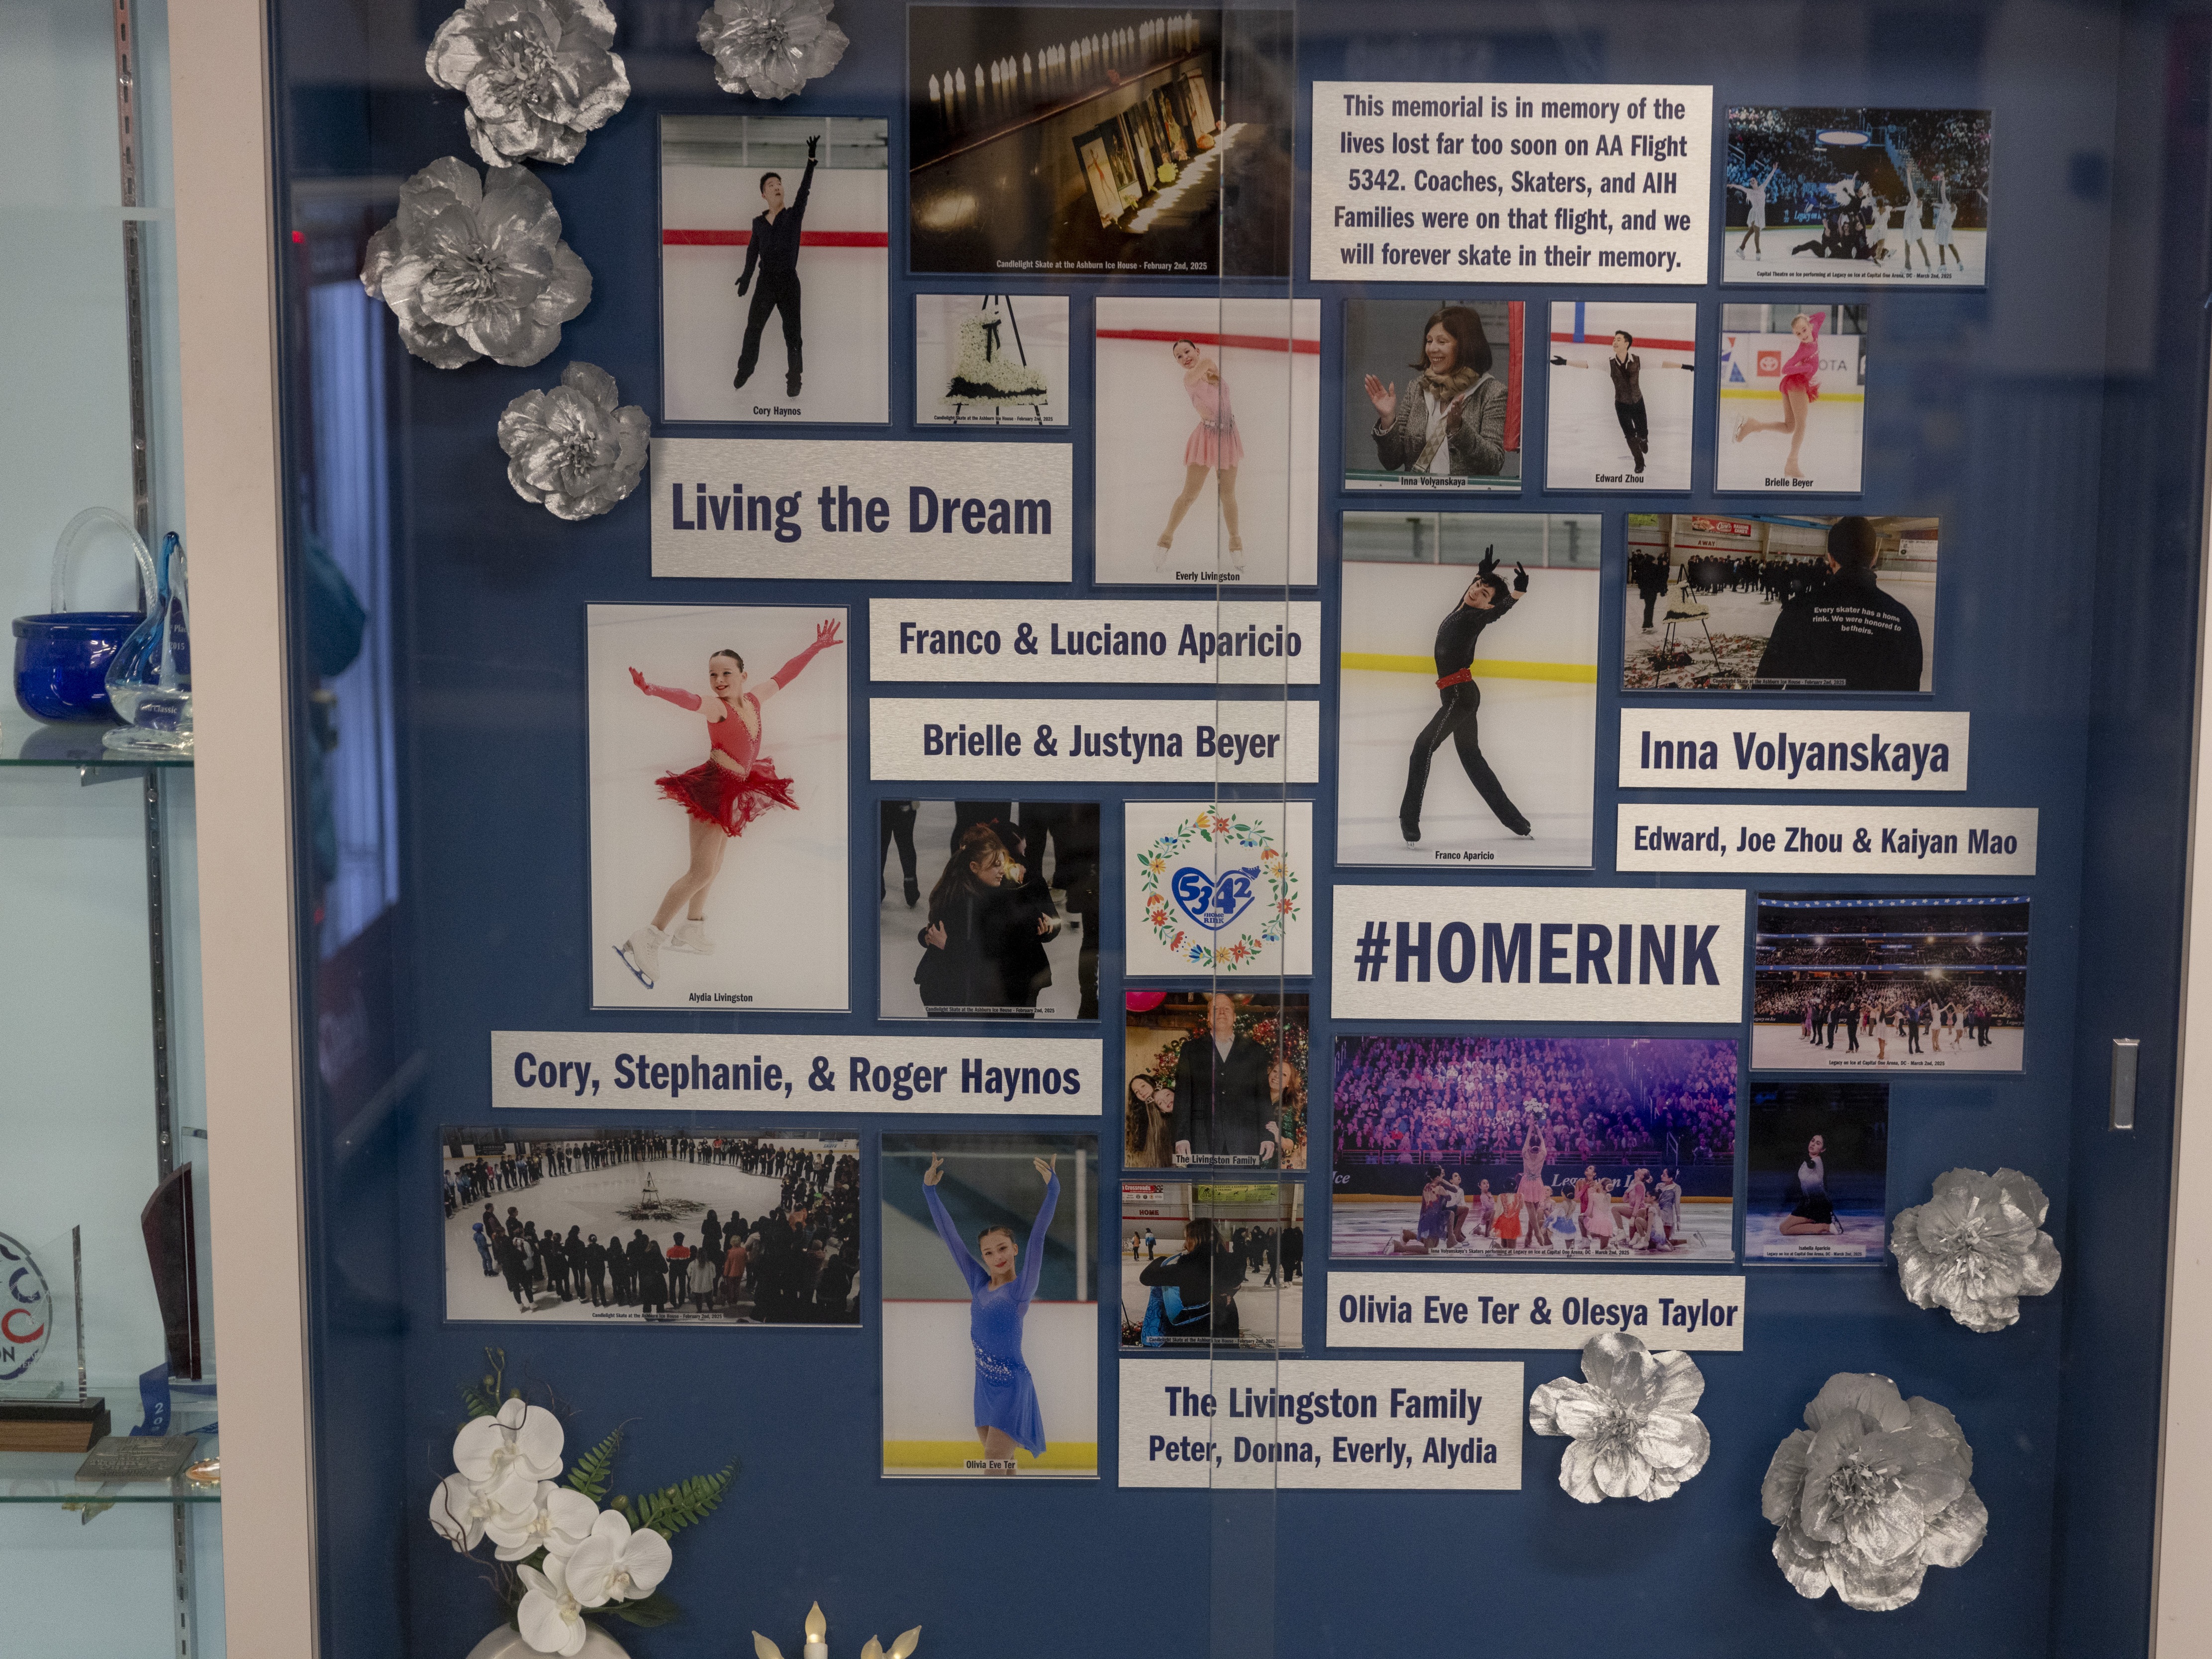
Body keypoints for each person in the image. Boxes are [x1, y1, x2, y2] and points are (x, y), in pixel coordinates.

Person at [617, 621, 845, 988]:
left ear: (742, 675)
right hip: (712, 788)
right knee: (701, 871)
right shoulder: (717, 709)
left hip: (735, 787)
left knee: (714, 867)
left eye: (726, 673)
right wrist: (652, 689)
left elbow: (785, 674)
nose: (719, 680)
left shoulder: (754, 700)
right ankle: (650, 935)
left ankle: (691, 928)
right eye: (712, 674)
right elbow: (688, 699)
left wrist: (814, 648)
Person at [923, 1153, 1059, 1473]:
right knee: (1003, 1470)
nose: (996, 1256)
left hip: (1012, 1387)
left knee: (991, 1467)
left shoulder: (1021, 1290)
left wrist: (1053, 1192)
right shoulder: (978, 1283)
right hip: (983, 1386)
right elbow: (951, 1238)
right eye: (988, 1252)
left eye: (1002, 1248)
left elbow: (1038, 1237)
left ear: (1014, 1249)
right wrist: (930, 1191)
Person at [1401, 550, 1533, 844]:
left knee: (1422, 748)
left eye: (1484, 594)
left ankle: (1408, 821)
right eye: (1476, 586)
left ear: (1488, 604)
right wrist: (1481, 573)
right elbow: (1472, 592)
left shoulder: (1474, 617)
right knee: (1472, 759)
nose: (1476, 593)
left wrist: (1517, 594)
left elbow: (1496, 612)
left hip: (1460, 696)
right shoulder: (1463, 606)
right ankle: (1517, 822)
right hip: (1460, 694)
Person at [1753, 517, 1924, 691]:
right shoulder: (1903, 620)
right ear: (1874, 558)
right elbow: (1909, 694)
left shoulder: (1798, 610)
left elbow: (1766, 684)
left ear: (1831, 559)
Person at [914, 822, 1061, 1016]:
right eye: (996, 864)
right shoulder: (959, 894)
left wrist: (1047, 928)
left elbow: (989, 948)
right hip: (961, 992)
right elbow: (971, 948)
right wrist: (929, 937)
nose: (1003, 869)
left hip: (1008, 985)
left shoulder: (1001, 888)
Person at [1365, 304, 1506, 479]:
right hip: (1420, 501)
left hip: (1466, 503)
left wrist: (1459, 430)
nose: (1432, 349)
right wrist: (1388, 420)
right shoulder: (1417, 388)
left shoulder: (1492, 392)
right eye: (1429, 341)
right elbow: (1392, 462)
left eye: (1442, 342)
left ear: (1465, 346)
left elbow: (1494, 462)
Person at [733, 133, 818, 397]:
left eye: (780, 183)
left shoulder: (793, 216)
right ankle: (745, 369)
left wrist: (811, 162)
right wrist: (747, 276)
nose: (777, 186)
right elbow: (752, 250)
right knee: (753, 328)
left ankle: (795, 378)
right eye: (772, 184)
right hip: (766, 282)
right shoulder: (758, 223)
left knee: (793, 336)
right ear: (764, 194)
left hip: (789, 282)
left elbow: (804, 191)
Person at [1549, 329, 1691, 476]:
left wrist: (1685, 366)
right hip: (1621, 405)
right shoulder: (1608, 363)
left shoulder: (1638, 360)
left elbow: (1662, 364)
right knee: (1629, 435)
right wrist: (1565, 362)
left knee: (1642, 432)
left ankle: (1643, 439)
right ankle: (1639, 462)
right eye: (1614, 339)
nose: (1615, 342)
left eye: (1618, 339)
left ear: (1627, 343)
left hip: (1638, 403)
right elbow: (1586, 364)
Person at [1155, 339, 1244, 570]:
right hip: (1205, 439)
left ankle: (1236, 546)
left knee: (1228, 495)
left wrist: (1211, 370)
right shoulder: (1190, 379)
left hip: (1228, 437)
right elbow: (1207, 362)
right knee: (1189, 495)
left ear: (1197, 349)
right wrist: (1205, 364)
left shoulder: (1209, 372)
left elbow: (1210, 368)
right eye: (1179, 357)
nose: (1185, 357)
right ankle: (1164, 542)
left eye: (1187, 351)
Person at [1164, 992, 1279, 1163]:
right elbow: (1183, 1096)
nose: (1222, 1013)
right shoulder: (1191, 1050)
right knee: (1201, 1189)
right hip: (1201, 1138)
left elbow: (1262, 1097)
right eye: (1216, 1009)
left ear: (1234, 1017)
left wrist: (1268, 1136)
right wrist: (1181, 1137)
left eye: (1227, 1009)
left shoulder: (1255, 1051)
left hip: (1245, 1139)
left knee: (1243, 1189)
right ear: (1209, 1018)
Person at [1731, 310, 1826, 481]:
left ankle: (1755, 425)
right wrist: (1805, 368)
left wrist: (1807, 320)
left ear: (1810, 327)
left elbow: (1821, 315)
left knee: (1790, 427)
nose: (1803, 335)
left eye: (1804, 330)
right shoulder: (1803, 350)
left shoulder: (1815, 330)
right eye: (1798, 334)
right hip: (1796, 384)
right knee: (1801, 425)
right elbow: (1786, 369)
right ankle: (1792, 463)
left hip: (1795, 384)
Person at [1140, 1217, 1243, 1340]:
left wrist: (1162, 1259)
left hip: (1195, 1330)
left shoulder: (1186, 1268)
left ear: (1194, 1240)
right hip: (1225, 1325)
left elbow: (1146, 1277)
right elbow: (1235, 1284)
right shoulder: (1231, 1263)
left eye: (1186, 1238)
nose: (1185, 1243)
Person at [1780, 1134, 1843, 1235]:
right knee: (1786, 1226)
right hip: (1808, 1204)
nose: (1813, 1144)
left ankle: (1826, 1226)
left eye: (1818, 1144)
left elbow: (1813, 1165)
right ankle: (1821, 1221)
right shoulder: (1810, 1160)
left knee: (1784, 1229)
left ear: (1822, 1150)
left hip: (1816, 1207)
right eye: (1813, 1141)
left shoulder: (1816, 1162)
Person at [1515, 1118, 1555, 1249]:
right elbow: (1542, 1141)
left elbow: (1527, 1140)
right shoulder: (1543, 1153)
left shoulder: (1526, 1152)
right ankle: (1534, 1233)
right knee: (1534, 1211)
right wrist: (1537, 1128)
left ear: (1531, 1145)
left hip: (1528, 1182)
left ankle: (1531, 1233)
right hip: (1537, 1182)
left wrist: (1531, 1127)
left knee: (1532, 1211)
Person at [1127, 1075, 1175, 1167]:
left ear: (1151, 1083)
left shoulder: (1168, 1097)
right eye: (1137, 1092)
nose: (1141, 1092)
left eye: (1143, 1086)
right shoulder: (1142, 1116)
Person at [1731, 162, 1779, 255]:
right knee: (1757, 232)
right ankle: (1758, 251)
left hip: (1761, 213)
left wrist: (1774, 170)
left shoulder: (1762, 188)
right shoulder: (1750, 191)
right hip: (1755, 213)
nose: (1752, 181)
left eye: (1753, 180)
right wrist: (1733, 185)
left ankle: (1741, 248)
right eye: (1751, 181)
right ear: (1751, 184)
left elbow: (1768, 179)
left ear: (1757, 182)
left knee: (1751, 232)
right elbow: (1741, 187)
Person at [880, 799, 920, 907]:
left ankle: (877, 888)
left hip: (883, 800)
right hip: (903, 800)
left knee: (881, 846)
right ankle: (911, 890)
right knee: (906, 844)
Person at [1634, 551, 1670, 633]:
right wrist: (1664, 567)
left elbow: (1638, 578)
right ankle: (1649, 625)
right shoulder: (1654, 567)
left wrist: (1641, 587)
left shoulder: (1642, 567)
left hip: (1645, 591)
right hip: (1652, 591)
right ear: (1652, 561)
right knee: (1650, 608)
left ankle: (1646, 624)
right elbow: (1661, 577)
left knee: (1648, 607)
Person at [1656, 1170, 1682, 1246]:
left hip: (1668, 1216)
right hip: (1658, 1212)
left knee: (1665, 1241)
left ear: (1670, 1178)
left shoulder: (1676, 1188)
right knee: (1656, 1239)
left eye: (1664, 1175)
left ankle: (1687, 1241)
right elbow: (1655, 1200)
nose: (1661, 1176)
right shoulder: (1659, 1185)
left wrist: (1678, 1221)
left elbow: (1677, 1204)